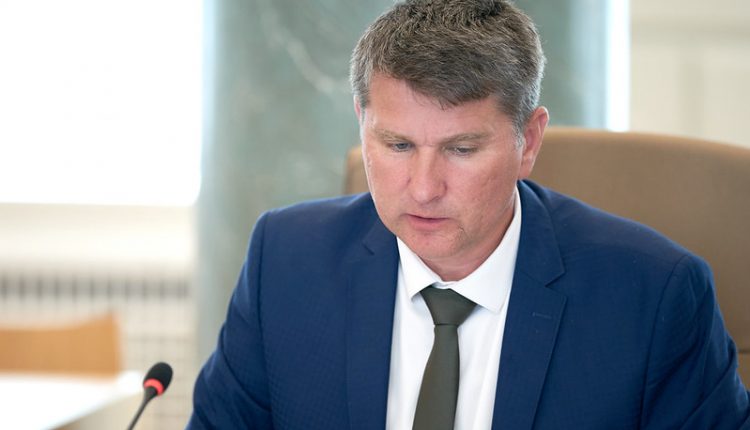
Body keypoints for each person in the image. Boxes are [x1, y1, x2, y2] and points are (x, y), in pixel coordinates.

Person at [187, 0, 750, 428]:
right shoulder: (285, 262)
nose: (423, 189)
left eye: (460, 149)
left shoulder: (653, 297)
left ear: (529, 142)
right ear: (362, 122)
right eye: (398, 145)